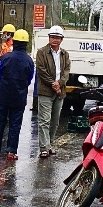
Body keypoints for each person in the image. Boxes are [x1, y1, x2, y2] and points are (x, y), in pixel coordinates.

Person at [0, 29, 35, 161]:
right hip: (19, 98)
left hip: (2, 96)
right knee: (15, 125)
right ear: (26, 44)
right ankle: (11, 152)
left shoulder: (5, 57)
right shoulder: (30, 61)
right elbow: (30, 79)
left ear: (15, 42)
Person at [35, 25, 70, 159]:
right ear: (49, 38)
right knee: (44, 120)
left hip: (60, 91)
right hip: (46, 91)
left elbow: (66, 71)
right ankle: (44, 148)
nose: (55, 40)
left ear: (61, 39)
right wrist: (52, 83)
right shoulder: (42, 52)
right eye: (52, 37)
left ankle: (49, 144)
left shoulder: (64, 54)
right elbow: (41, 70)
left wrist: (59, 83)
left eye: (57, 37)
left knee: (55, 121)